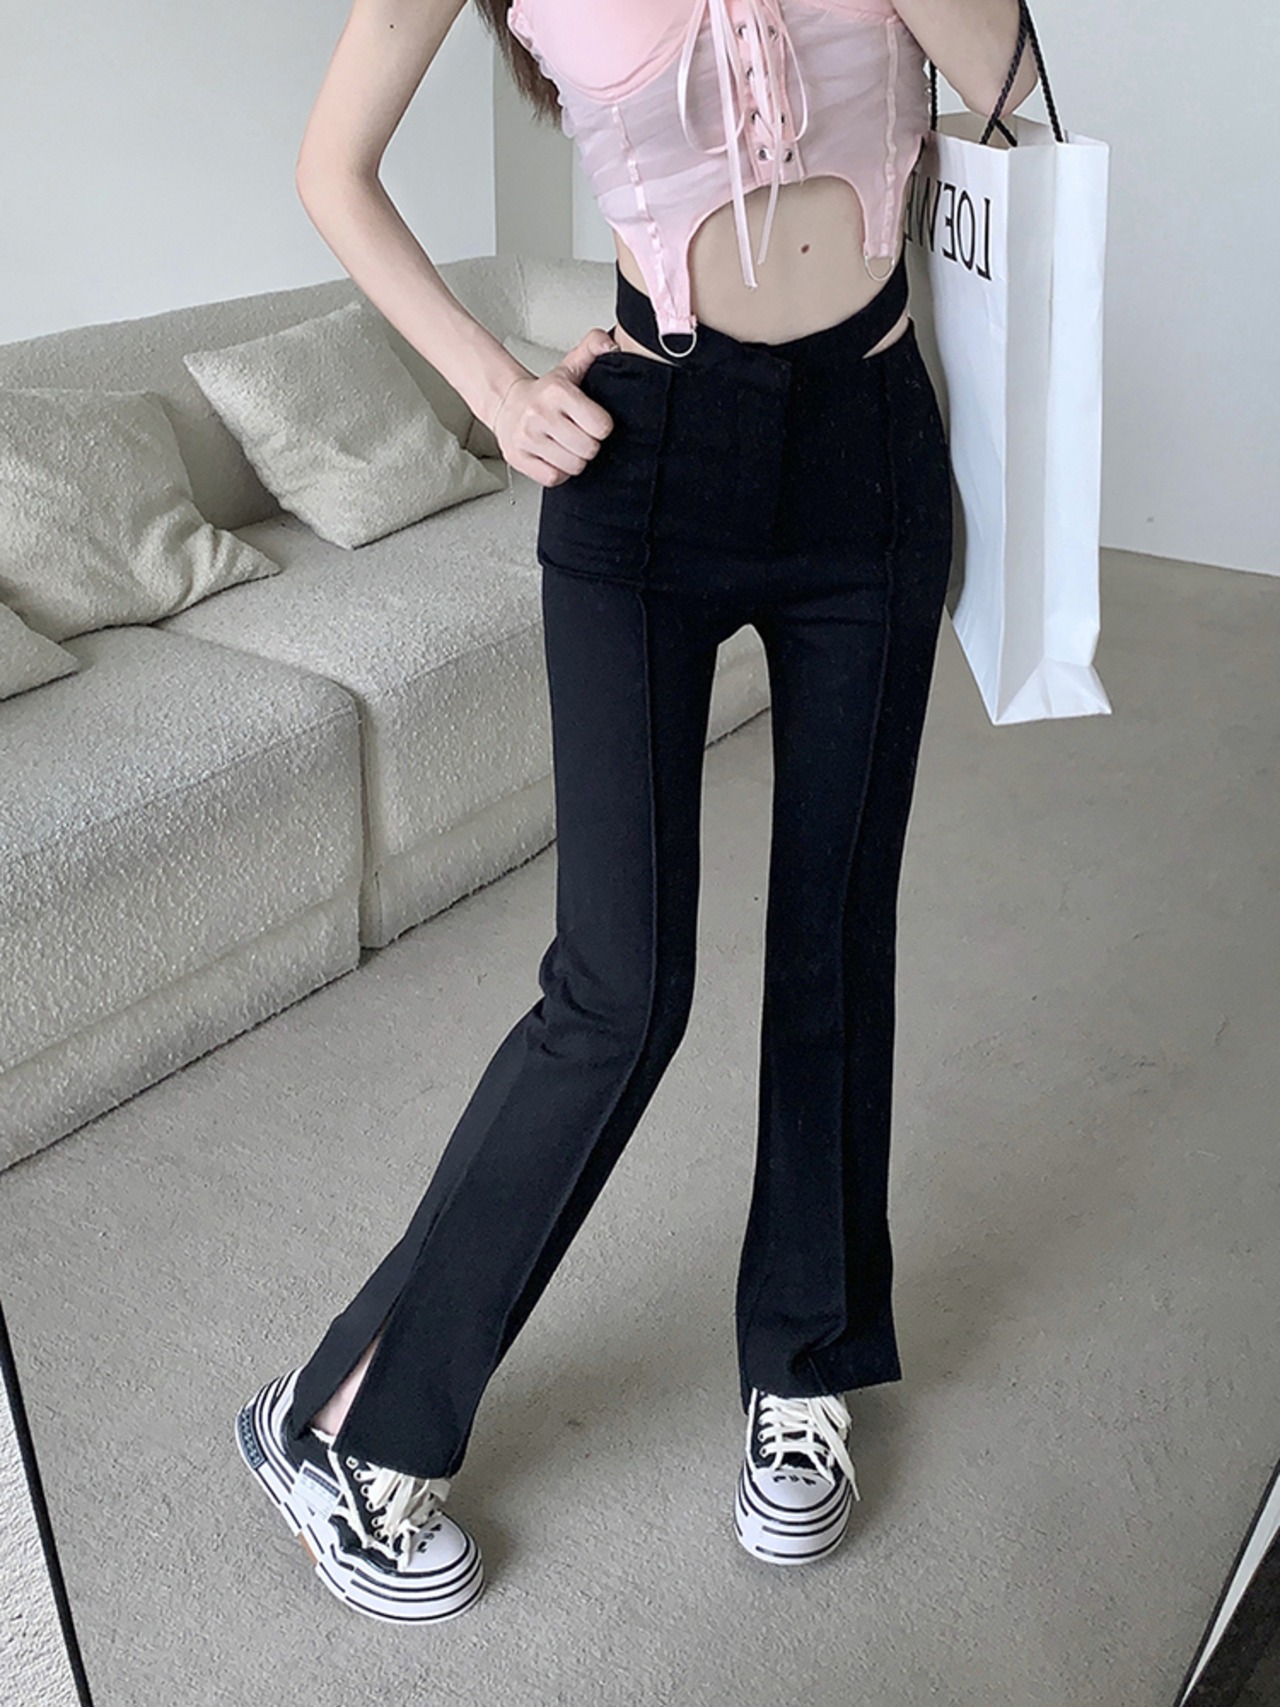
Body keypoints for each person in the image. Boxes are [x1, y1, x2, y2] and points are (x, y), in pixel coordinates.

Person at [235, 0, 1038, 1626]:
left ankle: (805, 1362)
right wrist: (490, 383)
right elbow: (332, 167)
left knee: (833, 943)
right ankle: (339, 1417)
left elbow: (1011, 85)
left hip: (872, 447)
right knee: (618, 990)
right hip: (645, 448)